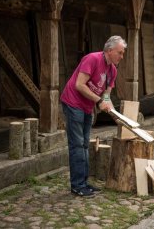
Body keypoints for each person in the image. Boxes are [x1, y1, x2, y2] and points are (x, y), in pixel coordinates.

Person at [61, 36, 127, 197]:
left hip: (87, 107)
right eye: (120, 52)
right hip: (73, 103)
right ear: (109, 50)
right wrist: (99, 101)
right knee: (77, 144)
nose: (122, 56)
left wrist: (115, 115)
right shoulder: (92, 59)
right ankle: (77, 185)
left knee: (84, 144)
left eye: (123, 53)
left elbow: (106, 97)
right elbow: (79, 84)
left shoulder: (113, 70)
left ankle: (83, 183)